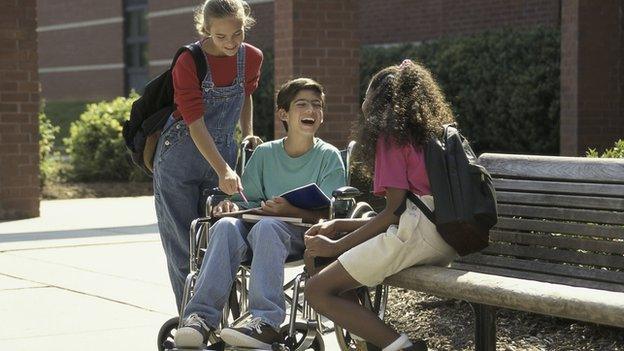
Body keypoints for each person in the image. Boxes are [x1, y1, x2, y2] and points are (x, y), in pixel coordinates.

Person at [174, 78, 346, 350]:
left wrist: (289, 210)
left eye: (317, 105)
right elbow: (247, 201)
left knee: (268, 228)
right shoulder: (265, 154)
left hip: (304, 235)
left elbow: (333, 211)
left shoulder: (329, 156)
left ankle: (264, 321)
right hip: (257, 232)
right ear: (283, 114)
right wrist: (229, 206)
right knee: (226, 226)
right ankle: (200, 319)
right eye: (302, 104)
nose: (311, 110)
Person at [304, 60, 459, 351]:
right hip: (443, 238)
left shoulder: (391, 136)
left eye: (367, 94)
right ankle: (376, 345)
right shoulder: (428, 131)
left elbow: (394, 213)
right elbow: (405, 213)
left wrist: (335, 245)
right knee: (319, 261)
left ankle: (403, 349)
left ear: (378, 101)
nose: (363, 101)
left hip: (418, 236)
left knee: (317, 290)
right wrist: (339, 225)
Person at [153, 0, 264, 311]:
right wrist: (224, 170)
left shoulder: (252, 57)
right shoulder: (189, 61)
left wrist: (248, 132)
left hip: (223, 155)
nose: (231, 43)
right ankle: (190, 323)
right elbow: (194, 122)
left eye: (238, 34)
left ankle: (221, 319)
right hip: (180, 159)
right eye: (221, 36)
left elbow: (246, 96)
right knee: (184, 247)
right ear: (206, 30)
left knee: (221, 240)